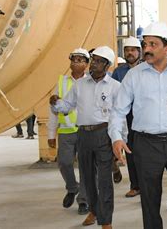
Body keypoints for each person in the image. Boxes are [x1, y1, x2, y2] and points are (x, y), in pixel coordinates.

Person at [109, 22, 167, 229]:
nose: (147, 49)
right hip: (146, 144)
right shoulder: (134, 76)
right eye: (145, 44)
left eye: (153, 44)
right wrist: (116, 136)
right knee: (150, 202)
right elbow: (118, 111)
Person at [50, 46, 120, 229]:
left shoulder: (115, 87)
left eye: (98, 61)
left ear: (107, 65)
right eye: (93, 59)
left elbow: (118, 117)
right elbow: (66, 106)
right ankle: (94, 211)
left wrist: (119, 140)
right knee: (88, 178)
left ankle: (106, 221)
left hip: (103, 135)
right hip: (83, 135)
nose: (93, 64)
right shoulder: (80, 85)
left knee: (104, 180)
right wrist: (56, 103)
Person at [47, 48, 90, 215]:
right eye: (73, 59)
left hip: (86, 131)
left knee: (86, 167)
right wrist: (51, 133)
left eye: (80, 60)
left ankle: (84, 200)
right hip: (66, 131)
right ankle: (72, 188)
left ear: (86, 64)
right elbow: (54, 108)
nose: (75, 63)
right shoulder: (61, 82)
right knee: (64, 163)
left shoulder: (91, 82)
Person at [112, 36, 142, 198]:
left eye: (133, 50)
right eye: (127, 50)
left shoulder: (146, 68)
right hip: (127, 118)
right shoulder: (118, 72)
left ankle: (147, 185)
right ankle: (135, 185)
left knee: (145, 153)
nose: (129, 53)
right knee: (130, 151)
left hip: (144, 115)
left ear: (139, 52)